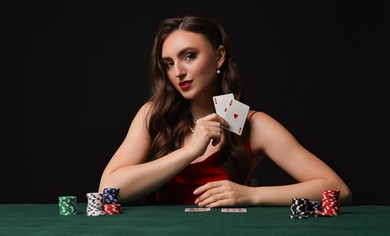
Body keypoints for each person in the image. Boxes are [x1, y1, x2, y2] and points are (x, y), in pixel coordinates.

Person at [98, 14, 352, 207]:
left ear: (219, 56)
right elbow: (108, 189)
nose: (178, 72)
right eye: (168, 63)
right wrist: (189, 152)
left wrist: (252, 195)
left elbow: (337, 189)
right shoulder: (154, 114)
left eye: (189, 56)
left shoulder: (250, 122)